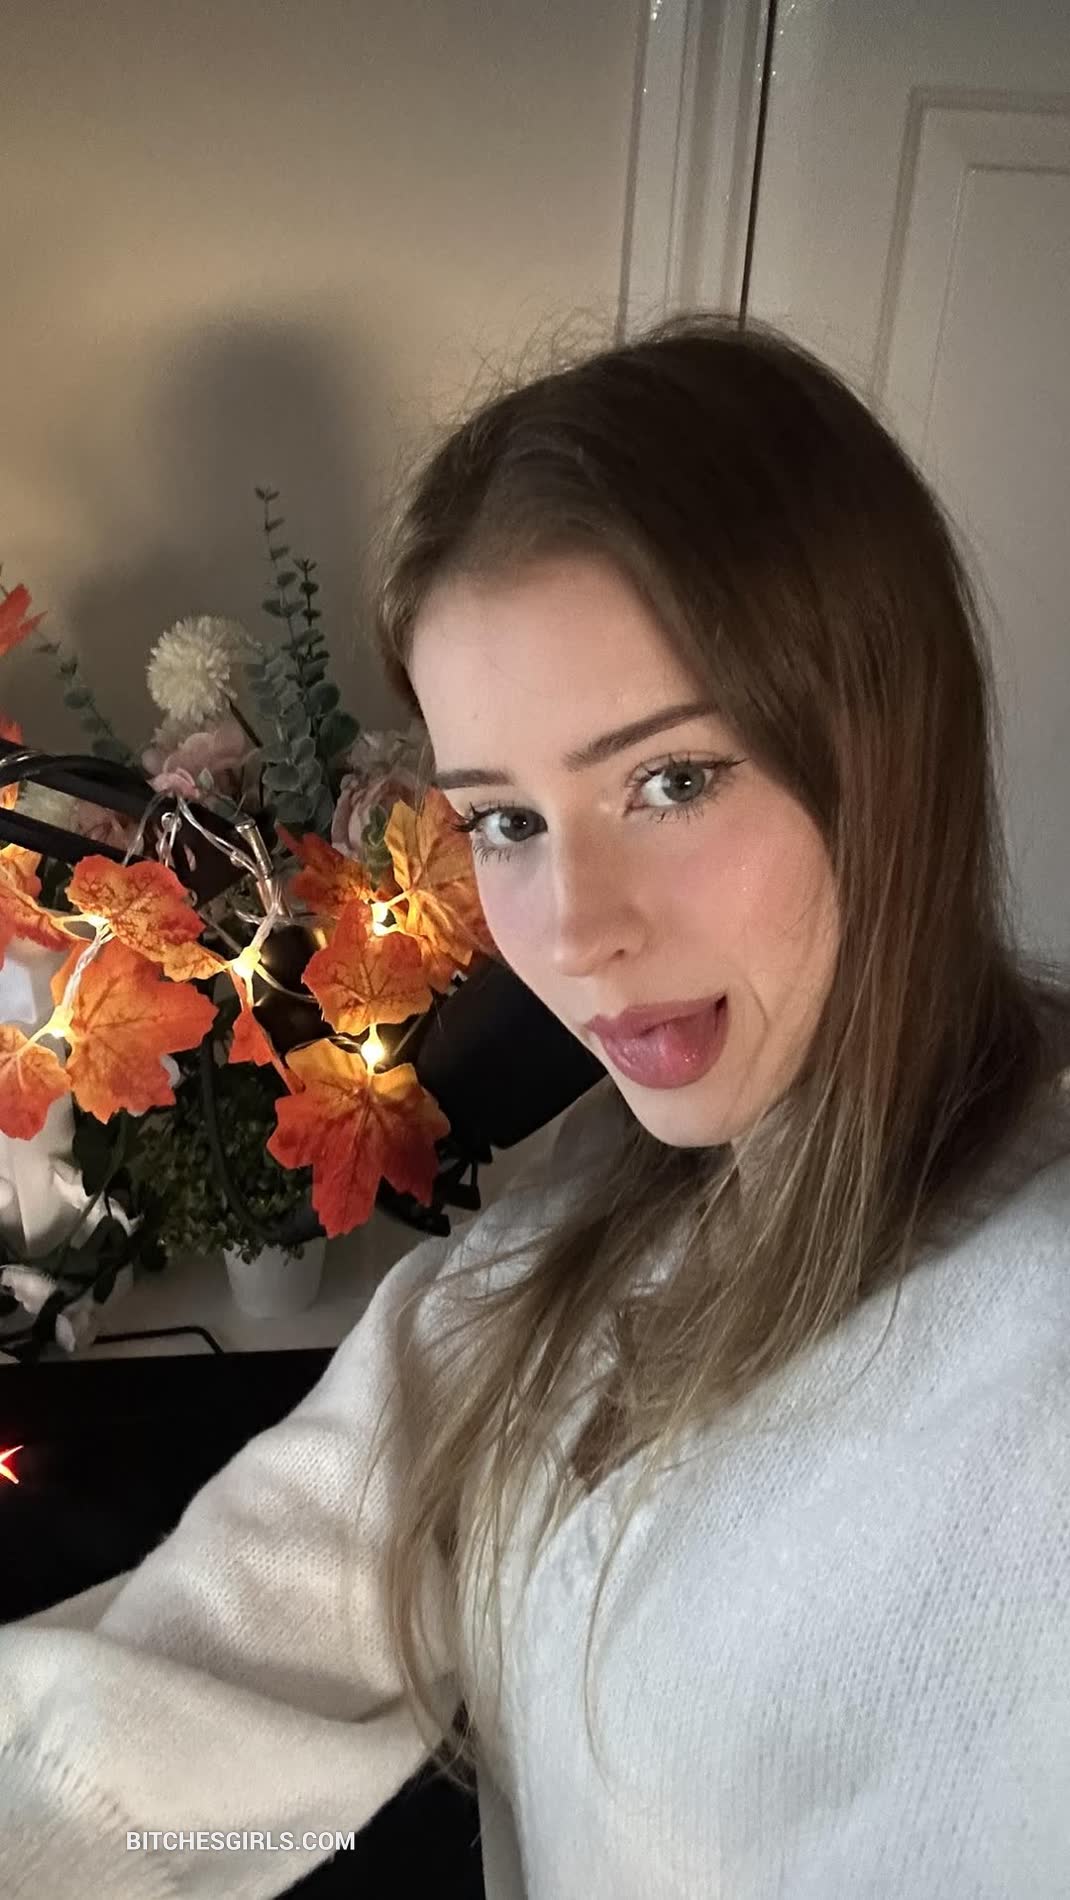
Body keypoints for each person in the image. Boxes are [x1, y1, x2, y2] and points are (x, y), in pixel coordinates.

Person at [3, 309, 1070, 1899]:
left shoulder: (1032, 1357)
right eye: (504, 819)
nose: (572, 934)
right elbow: (172, 1727)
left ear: (891, 752)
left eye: (671, 781)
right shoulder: (585, 1216)